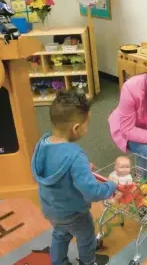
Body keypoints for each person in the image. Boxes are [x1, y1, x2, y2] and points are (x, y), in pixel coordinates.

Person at [31, 90, 118, 265]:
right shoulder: (75, 155)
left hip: (50, 209)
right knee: (86, 237)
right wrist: (111, 185)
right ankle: (88, 262)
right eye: (87, 125)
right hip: (74, 213)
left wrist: (82, 169)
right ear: (76, 128)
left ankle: (59, 262)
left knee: (60, 233)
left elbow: (53, 168)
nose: (87, 128)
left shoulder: (43, 142)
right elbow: (92, 192)